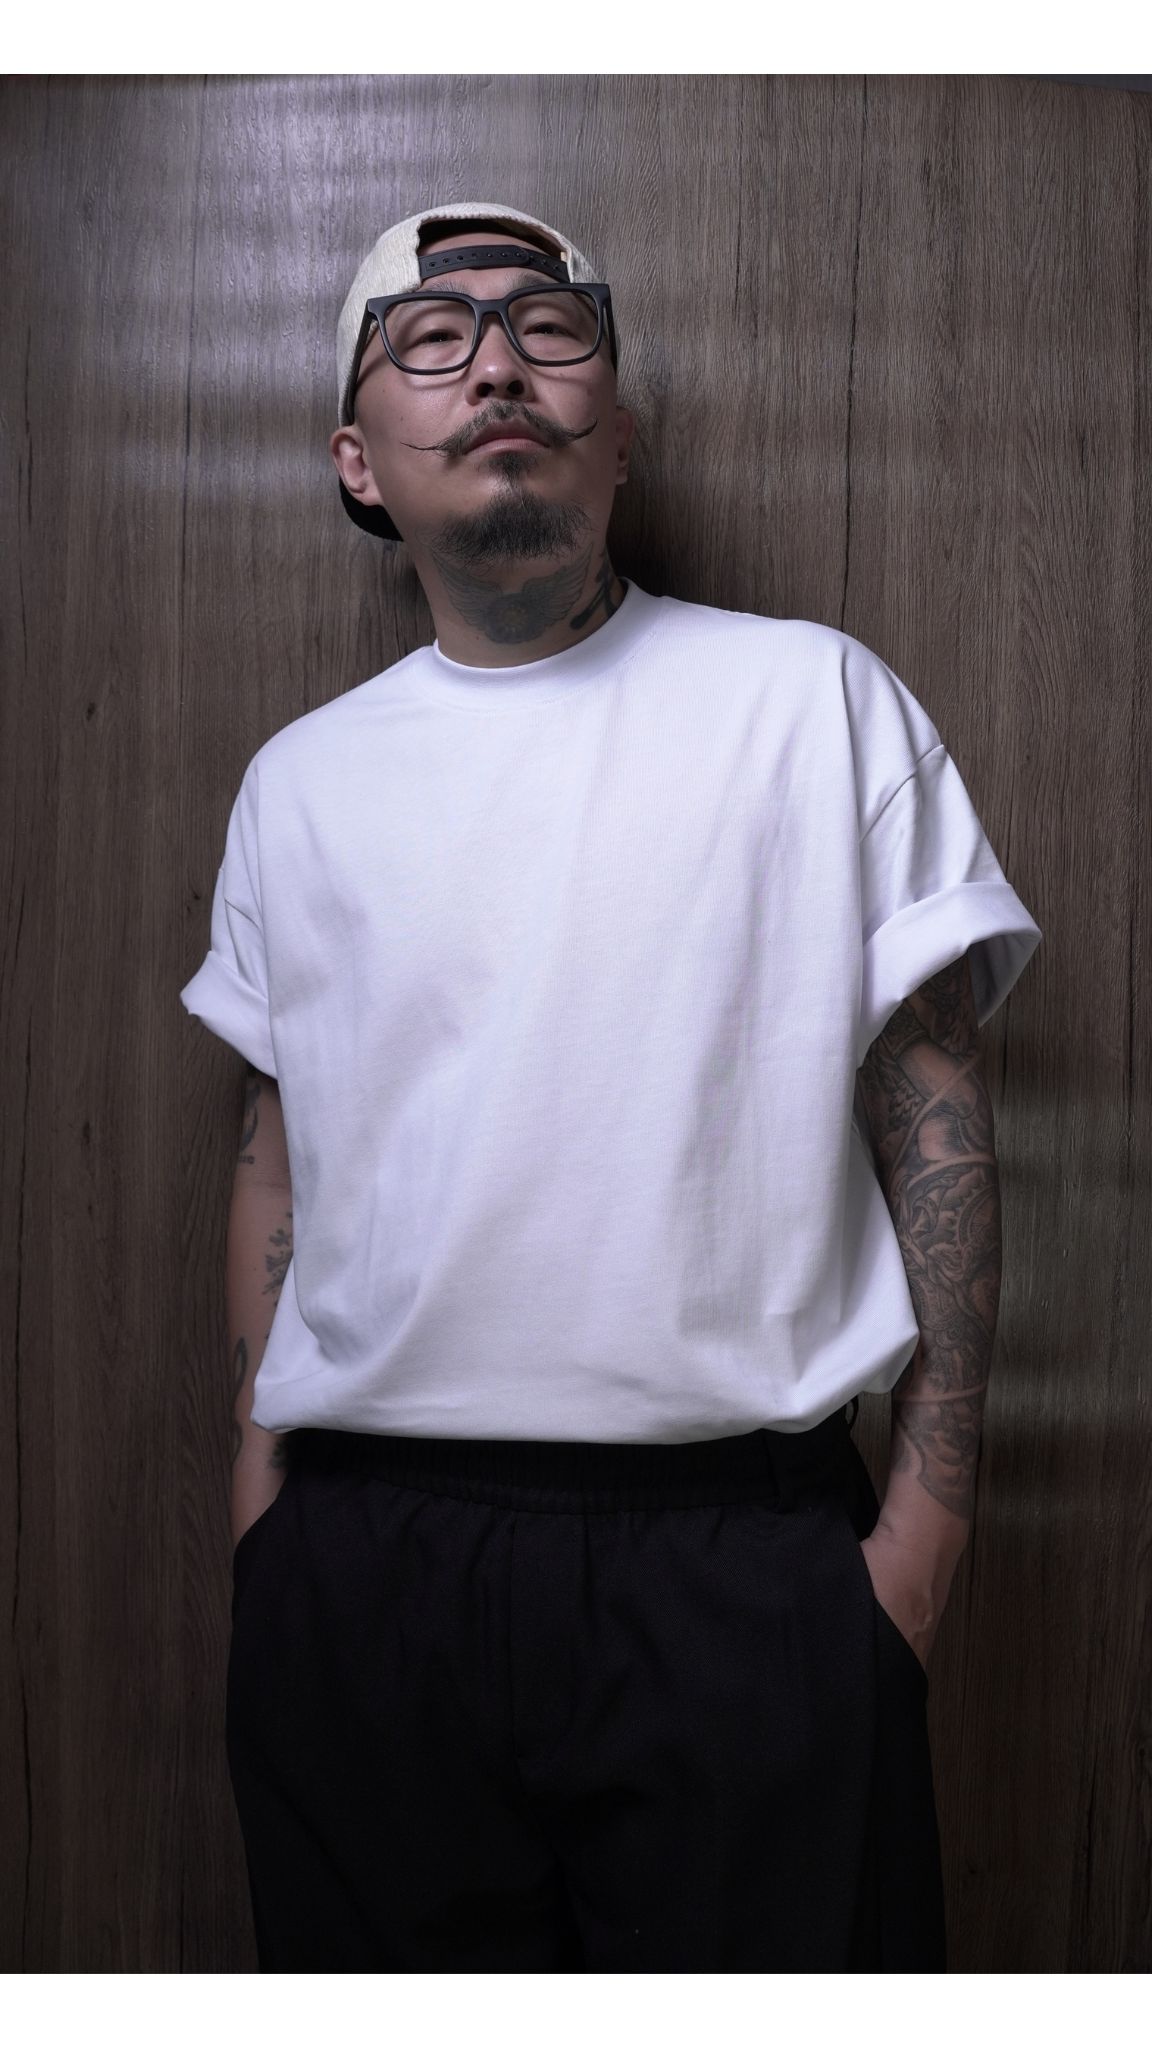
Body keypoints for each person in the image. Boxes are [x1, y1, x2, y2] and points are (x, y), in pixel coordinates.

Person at [180, 199, 1043, 1973]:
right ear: (360, 462)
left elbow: (937, 1115)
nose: (498, 361)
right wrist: (266, 1522)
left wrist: (919, 1545)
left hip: (744, 1570)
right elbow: (278, 1157)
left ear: (620, 433)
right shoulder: (298, 785)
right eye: (431, 338)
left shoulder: (813, 703)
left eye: (551, 325)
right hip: (366, 1576)